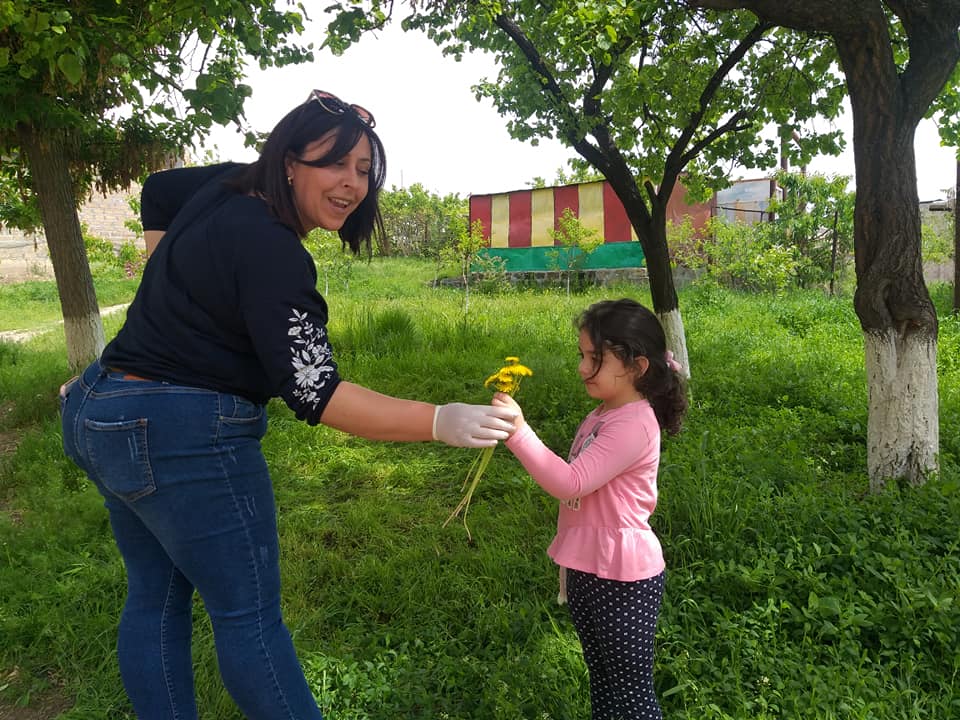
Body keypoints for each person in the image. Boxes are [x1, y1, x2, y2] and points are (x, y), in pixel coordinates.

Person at [59, 89, 517, 720]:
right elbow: (316, 392)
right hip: (181, 436)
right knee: (248, 619)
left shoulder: (227, 189)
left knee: (155, 597)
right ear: (290, 161)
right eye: (335, 163)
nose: (352, 185)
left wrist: (166, 299)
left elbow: (161, 189)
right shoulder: (273, 249)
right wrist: (440, 419)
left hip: (99, 409)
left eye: (363, 170)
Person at [492, 298, 687, 720]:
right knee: (602, 680)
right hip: (589, 570)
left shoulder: (633, 424)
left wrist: (518, 432)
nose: (583, 368)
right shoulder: (604, 413)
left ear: (637, 367)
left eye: (595, 359)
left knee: (631, 697)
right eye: (582, 356)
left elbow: (570, 482)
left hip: (623, 579)